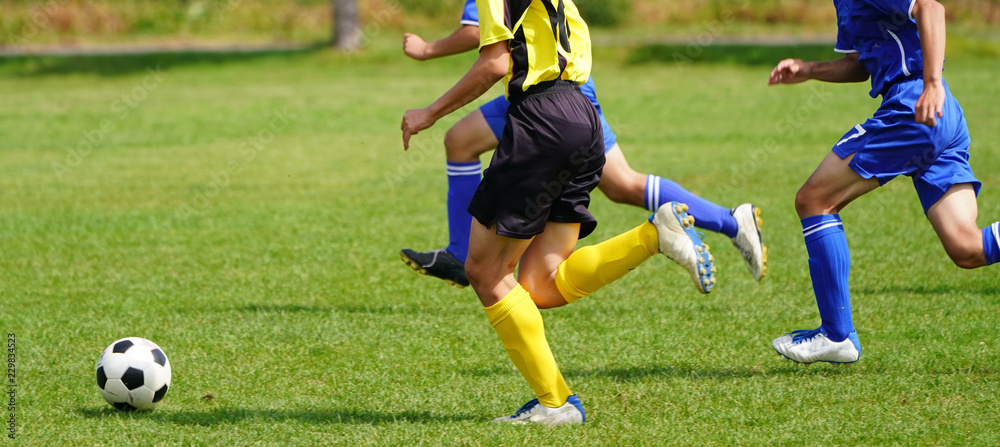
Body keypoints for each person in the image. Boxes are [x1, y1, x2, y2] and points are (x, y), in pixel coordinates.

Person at [402, 0, 716, 426]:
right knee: (541, 284)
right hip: (583, 117)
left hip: (541, 121)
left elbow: (494, 64)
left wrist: (429, 113)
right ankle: (654, 235)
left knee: (485, 272)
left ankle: (555, 404)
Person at [398, 0, 767, 291]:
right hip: (551, 87)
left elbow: (479, 32)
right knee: (460, 140)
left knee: (622, 184)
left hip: (551, 92)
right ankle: (462, 253)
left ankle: (727, 222)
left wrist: (427, 49)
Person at [768, 0, 999, 365]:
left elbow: (931, 7)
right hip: (939, 113)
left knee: (814, 200)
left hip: (914, 106)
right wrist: (809, 69)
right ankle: (836, 334)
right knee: (967, 248)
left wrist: (932, 83)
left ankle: (836, 334)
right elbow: (863, 62)